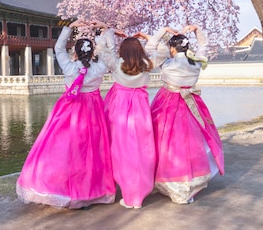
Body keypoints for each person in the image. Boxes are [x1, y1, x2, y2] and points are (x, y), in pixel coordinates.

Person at [16, 20, 116, 209]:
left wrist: (69, 27)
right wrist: (105, 30)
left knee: (64, 149)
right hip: (93, 112)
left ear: (76, 52)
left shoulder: (69, 67)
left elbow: (59, 47)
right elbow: (110, 53)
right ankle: (90, 190)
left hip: (69, 111)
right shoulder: (99, 67)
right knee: (92, 150)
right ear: (93, 52)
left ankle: (62, 189)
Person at [144, 24, 224, 205]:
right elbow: (204, 45)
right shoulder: (196, 62)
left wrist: (163, 31)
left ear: (172, 48)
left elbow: (149, 50)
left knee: (166, 143)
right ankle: (190, 185)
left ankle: (167, 180)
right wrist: (197, 30)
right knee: (191, 142)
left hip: (167, 104)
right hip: (191, 104)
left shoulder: (167, 63)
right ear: (187, 47)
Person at [93, 21, 156, 209]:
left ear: (124, 51)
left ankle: (129, 195)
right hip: (141, 110)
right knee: (142, 149)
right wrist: (146, 37)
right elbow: (159, 49)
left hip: (120, 109)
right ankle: (140, 191)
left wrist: (108, 31)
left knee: (122, 151)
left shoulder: (117, 64)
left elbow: (104, 49)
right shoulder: (147, 64)